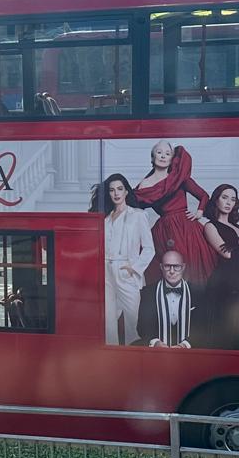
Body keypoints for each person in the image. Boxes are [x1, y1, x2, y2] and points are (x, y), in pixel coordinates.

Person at [133, 141, 216, 288]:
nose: (163, 156)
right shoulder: (144, 184)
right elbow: (135, 208)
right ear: (152, 158)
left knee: (190, 267)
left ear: (172, 158)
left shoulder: (178, 177)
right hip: (164, 230)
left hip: (186, 228)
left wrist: (199, 212)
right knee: (166, 269)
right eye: (159, 152)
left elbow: (204, 196)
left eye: (167, 153)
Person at [92, 172, 154, 345]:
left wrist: (133, 268)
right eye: (112, 190)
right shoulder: (104, 218)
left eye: (120, 189)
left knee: (133, 321)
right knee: (108, 320)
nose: (116, 193)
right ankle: (110, 358)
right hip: (105, 270)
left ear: (126, 191)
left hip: (126, 270)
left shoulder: (138, 215)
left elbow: (149, 248)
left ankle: (133, 357)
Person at [201, 183, 239, 349]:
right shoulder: (210, 226)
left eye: (233, 199)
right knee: (227, 326)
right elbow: (226, 253)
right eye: (224, 197)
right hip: (224, 282)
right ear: (216, 200)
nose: (228, 202)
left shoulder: (238, 227)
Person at [139, 251, 196, 347]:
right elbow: (141, 326)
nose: (172, 271)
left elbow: (204, 327)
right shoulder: (148, 292)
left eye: (176, 266)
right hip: (157, 354)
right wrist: (156, 342)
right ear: (161, 267)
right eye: (167, 266)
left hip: (190, 354)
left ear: (183, 267)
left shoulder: (198, 293)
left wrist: (184, 345)